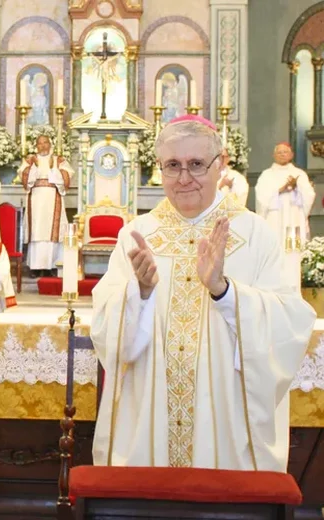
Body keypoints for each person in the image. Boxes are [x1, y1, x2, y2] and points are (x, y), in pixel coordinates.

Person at [91, 116, 315, 471]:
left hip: (227, 425)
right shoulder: (137, 234)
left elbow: (291, 323)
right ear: (159, 168)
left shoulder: (256, 234)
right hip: (149, 425)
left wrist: (224, 293)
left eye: (196, 164)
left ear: (220, 165)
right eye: (172, 166)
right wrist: (142, 294)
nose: (184, 178)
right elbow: (107, 332)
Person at [19, 134, 74, 276]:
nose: (43, 146)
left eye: (45, 143)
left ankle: (51, 266)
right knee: (36, 231)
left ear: (50, 144)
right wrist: (34, 167)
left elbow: (65, 179)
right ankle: (35, 267)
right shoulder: (30, 160)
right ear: (36, 145)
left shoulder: (58, 160)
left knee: (51, 233)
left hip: (52, 198)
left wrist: (52, 169)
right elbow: (25, 179)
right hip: (36, 200)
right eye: (40, 143)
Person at [255, 142, 315, 249]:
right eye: (279, 152)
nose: (282, 154)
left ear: (291, 155)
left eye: (285, 152)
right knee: (275, 246)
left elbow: (309, 194)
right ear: (274, 156)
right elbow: (261, 197)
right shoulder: (266, 175)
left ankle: (294, 265)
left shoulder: (299, 173)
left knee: (293, 249)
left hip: (294, 216)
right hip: (274, 217)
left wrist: (297, 188)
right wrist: (280, 190)